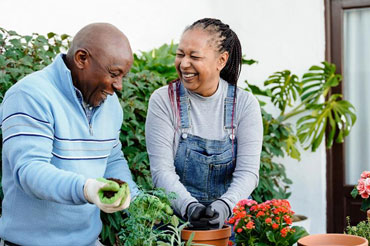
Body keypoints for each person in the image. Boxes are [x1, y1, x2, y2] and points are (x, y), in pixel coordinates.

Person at [0, 23, 139, 245]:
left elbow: (111, 159)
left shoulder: (111, 105)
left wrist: (137, 199)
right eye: (114, 74)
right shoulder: (30, 95)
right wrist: (86, 189)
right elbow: (30, 171)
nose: (119, 86)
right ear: (82, 58)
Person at [146, 18, 263, 230]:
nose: (183, 64)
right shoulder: (164, 100)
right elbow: (161, 171)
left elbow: (248, 173)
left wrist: (225, 206)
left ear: (221, 60)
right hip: (175, 226)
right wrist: (190, 207)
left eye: (194, 56)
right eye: (180, 54)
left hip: (228, 225)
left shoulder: (244, 104)